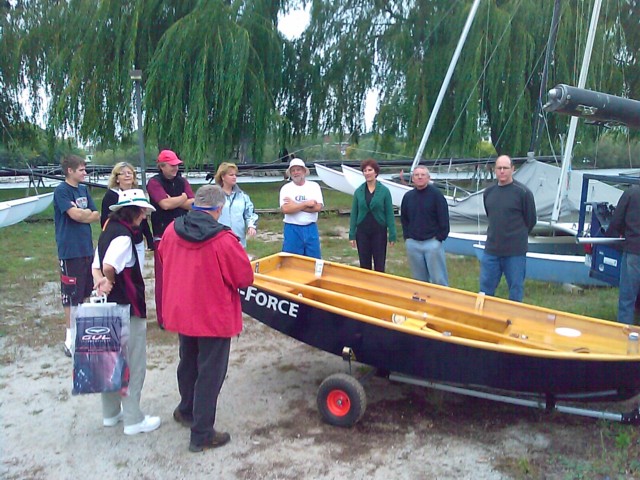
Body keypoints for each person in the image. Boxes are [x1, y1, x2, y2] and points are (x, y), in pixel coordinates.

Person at [159, 185, 254, 453]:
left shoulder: (171, 231)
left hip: (183, 310)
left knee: (188, 362)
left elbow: (164, 258)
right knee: (210, 372)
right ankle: (201, 433)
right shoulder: (224, 240)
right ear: (219, 209)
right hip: (213, 314)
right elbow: (244, 278)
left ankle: (186, 410)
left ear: (194, 204)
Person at [92, 189, 161, 435]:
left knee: (108, 360)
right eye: (143, 212)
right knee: (133, 362)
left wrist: (101, 281)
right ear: (136, 212)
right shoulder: (123, 236)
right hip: (127, 307)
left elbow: (96, 266)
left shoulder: (107, 230)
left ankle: (110, 414)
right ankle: (133, 419)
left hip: (107, 307)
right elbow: (109, 265)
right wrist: (109, 279)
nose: (144, 217)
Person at [53, 155, 100, 357]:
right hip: (70, 250)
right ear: (70, 171)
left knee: (85, 292)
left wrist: (85, 214)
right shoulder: (61, 191)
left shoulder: (83, 190)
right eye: (81, 170)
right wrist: (84, 214)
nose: (85, 173)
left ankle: (83, 331)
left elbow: (95, 214)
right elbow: (75, 215)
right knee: (71, 296)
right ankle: (70, 338)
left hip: (86, 248)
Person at [146, 150, 194, 328]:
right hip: (162, 235)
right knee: (164, 278)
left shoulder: (182, 181)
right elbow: (164, 205)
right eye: (172, 165)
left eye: (177, 165)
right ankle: (164, 318)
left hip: (183, 232)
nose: (176, 168)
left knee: (184, 276)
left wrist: (177, 200)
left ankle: (182, 314)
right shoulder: (154, 182)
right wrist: (182, 198)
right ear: (161, 166)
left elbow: (192, 203)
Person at [479, 155, 537, 302]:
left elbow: (531, 220)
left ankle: (514, 319)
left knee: (515, 288)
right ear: (495, 170)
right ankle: (484, 318)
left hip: (515, 252)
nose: (502, 171)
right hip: (492, 251)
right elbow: (490, 215)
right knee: (485, 289)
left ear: (512, 169)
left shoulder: (523, 193)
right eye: (499, 168)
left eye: (505, 168)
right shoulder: (488, 193)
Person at [400, 166, 450, 285]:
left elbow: (443, 217)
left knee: (438, 279)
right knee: (419, 281)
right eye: (417, 175)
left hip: (432, 243)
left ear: (428, 178)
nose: (420, 177)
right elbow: (404, 218)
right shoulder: (408, 197)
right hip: (413, 244)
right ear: (413, 179)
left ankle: (442, 301)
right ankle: (422, 302)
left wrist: (439, 238)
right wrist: (408, 237)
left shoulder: (436, 195)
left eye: (423, 175)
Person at [349, 159, 396, 272]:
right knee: (364, 264)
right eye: (365, 170)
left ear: (375, 172)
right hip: (362, 232)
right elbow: (354, 213)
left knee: (379, 264)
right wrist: (351, 234)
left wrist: (392, 234)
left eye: (370, 170)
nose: (367, 173)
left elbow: (389, 213)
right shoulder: (359, 191)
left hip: (379, 231)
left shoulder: (384, 191)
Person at [101, 162, 154, 263]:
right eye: (123, 173)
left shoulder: (137, 193)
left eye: (130, 173)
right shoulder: (111, 195)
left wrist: (148, 237)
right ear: (116, 178)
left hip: (137, 239)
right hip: (119, 239)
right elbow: (105, 220)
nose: (127, 175)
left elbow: (143, 218)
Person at [606, 185, 640, 324]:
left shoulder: (631, 193)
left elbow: (616, 221)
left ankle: (624, 337)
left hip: (634, 249)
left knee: (627, 298)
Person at [279, 158, 324, 258]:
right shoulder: (286, 188)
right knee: (291, 260)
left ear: (304, 171)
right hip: (292, 228)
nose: (296, 173)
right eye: (293, 170)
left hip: (310, 227)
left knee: (314, 259)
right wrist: (306, 204)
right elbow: (286, 210)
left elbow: (317, 207)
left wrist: (294, 204)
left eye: (298, 170)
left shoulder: (314, 186)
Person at [214, 162, 258, 248]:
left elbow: (250, 214)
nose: (234, 177)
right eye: (231, 175)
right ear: (223, 177)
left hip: (239, 240)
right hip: (219, 239)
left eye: (235, 175)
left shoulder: (242, 196)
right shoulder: (214, 196)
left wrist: (251, 226)